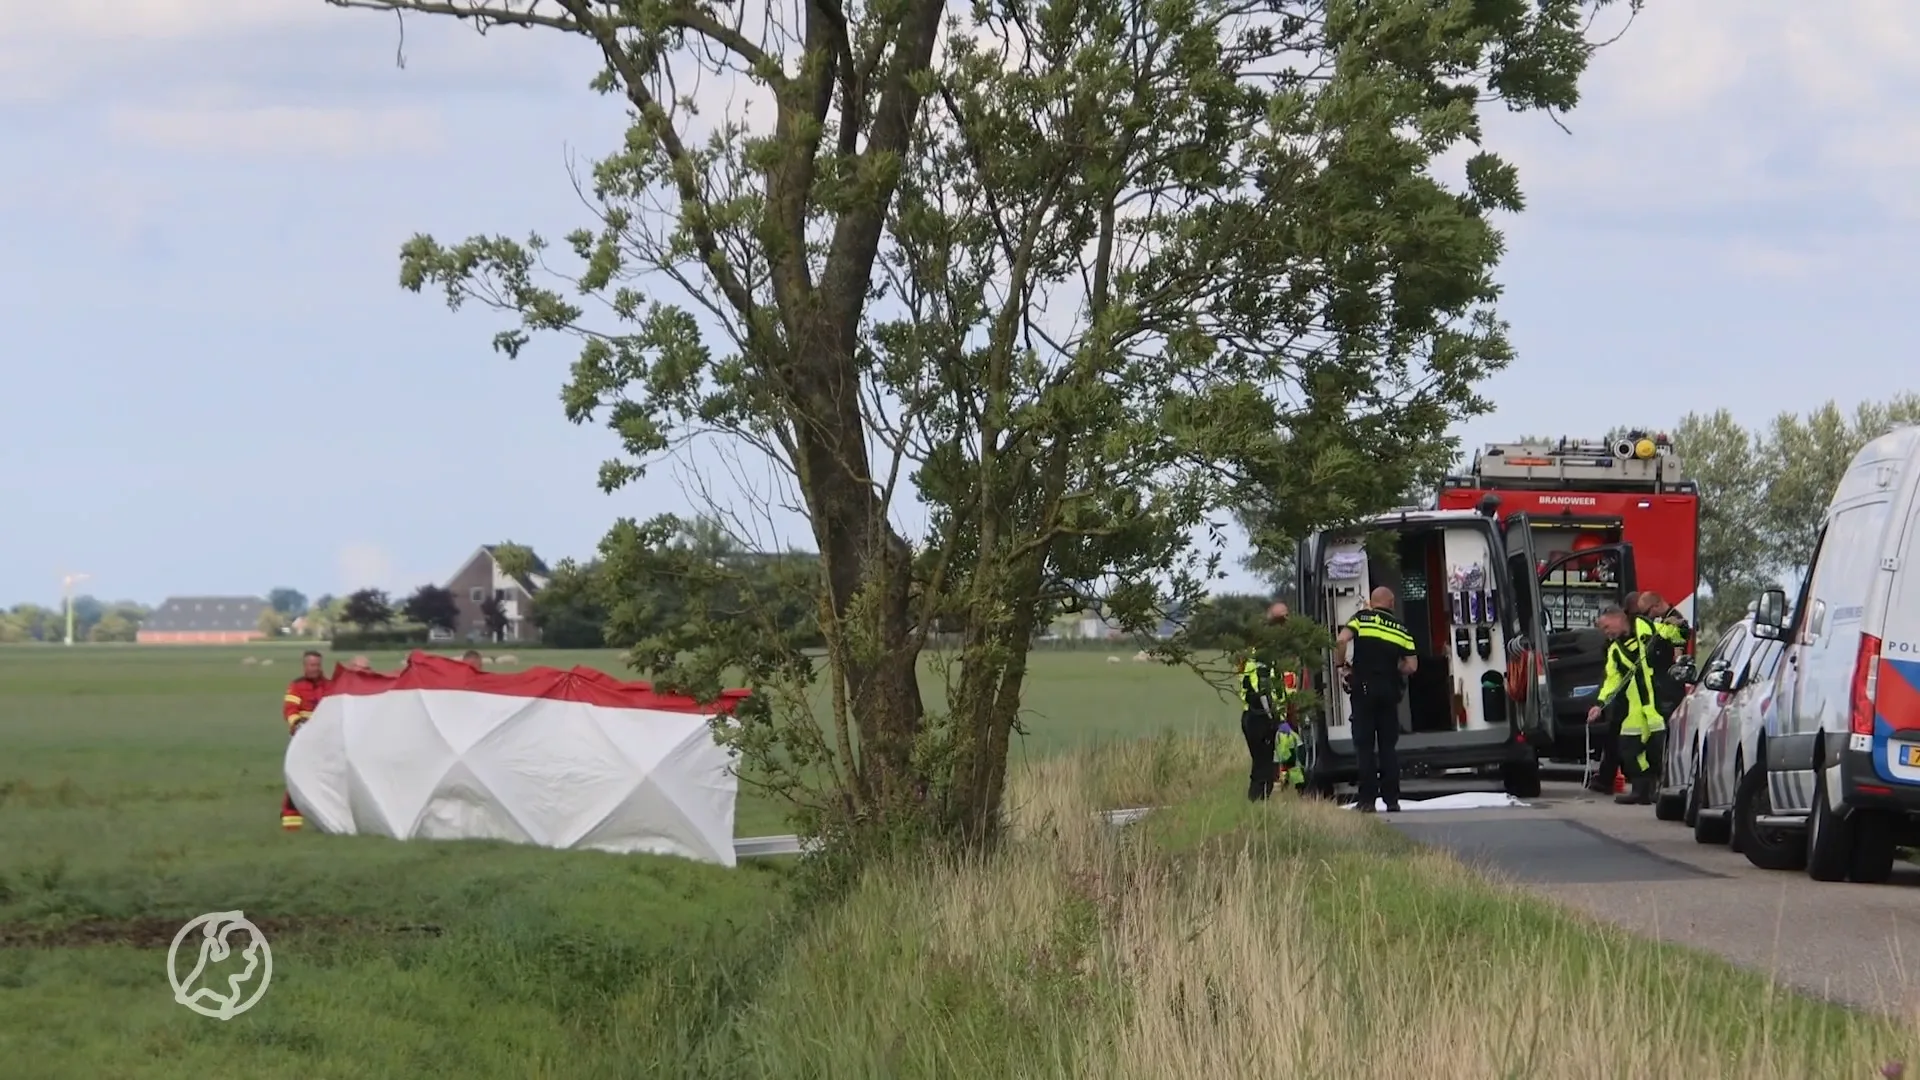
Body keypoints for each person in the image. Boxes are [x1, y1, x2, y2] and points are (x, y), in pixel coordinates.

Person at [1332, 587, 1418, 813]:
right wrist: (1392, 668)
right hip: (1389, 691)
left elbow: (1341, 641)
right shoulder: (1401, 628)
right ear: (1391, 604)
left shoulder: (1361, 619)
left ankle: (1367, 801)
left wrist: (1341, 666)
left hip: (1363, 689)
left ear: (1372, 601)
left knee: (1365, 747)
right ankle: (1392, 801)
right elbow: (1411, 666)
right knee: (1388, 747)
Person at [1586, 605, 1665, 805]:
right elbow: (1611, 681)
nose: (1606, 633)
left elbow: (1672, 640)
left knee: (1657, 751)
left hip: (1657, 704)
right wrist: (1599, 705)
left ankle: (1655, 789)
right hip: (1635, 708)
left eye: (1606, 627)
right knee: (1629, 749)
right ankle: (1640, 791)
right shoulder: (1614, 650)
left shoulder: (1645, 626)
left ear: (1618, 619)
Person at [280, 650, 329, 831]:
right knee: (296, 782)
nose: (315, 668)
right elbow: (290, 709)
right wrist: (298, 725)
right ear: (305, 666)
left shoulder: (330, 686)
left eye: (317, 665)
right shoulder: (296, 687)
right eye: (311, 665)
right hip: (302, 741)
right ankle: (291, 826)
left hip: (325, 742)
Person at [1637, 591, 1693, 717]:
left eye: (1646, 613)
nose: (1646, 618)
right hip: (1660, 683)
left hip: (1669, 686)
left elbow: (1679, 650)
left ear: (1656, 606)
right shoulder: (1662, 620)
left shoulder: (1675, 620)